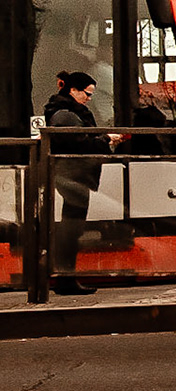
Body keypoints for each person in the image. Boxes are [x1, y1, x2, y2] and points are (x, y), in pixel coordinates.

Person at [43, 70, 110, 296]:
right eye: (87, 94)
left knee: (71, 230)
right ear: (73, 90)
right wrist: (106, 140)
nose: (89, 98)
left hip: (72, 176)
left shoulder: (65, 112)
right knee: (71, 231)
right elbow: (80, 144)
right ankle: (65, 278)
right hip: (73, 178)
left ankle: (66, 278)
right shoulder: (66, 115)